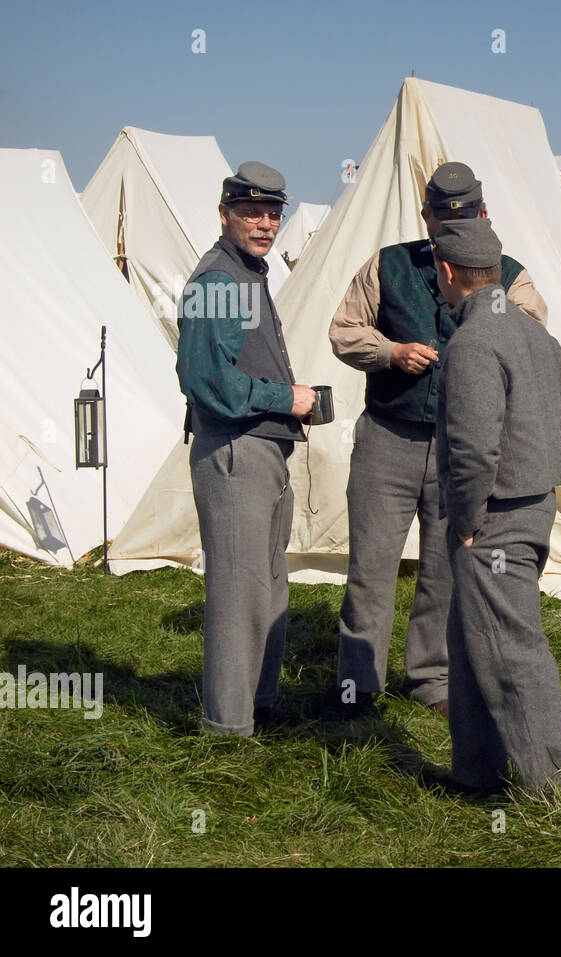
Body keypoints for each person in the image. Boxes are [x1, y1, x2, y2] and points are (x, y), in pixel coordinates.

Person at [325, 161, 547, 720]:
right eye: (440, 221)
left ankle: (432, 677)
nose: (449, 230)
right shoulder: (387, 264)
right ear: (425, 217)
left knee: (444, 570)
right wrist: (390, 353)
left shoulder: (511, 277)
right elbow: (344, 330)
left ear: (483, 214)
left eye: (464, 218)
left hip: (463, 449)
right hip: (389, 437)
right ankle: (358, 685)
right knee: (371, 567)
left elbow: (530, 345)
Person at [433, 217, 561, 793]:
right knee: (471, 643)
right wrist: (536, 475)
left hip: (492, 518)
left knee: (512, 652)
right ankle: (477, 774)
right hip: (534, 504)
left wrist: (469, 522)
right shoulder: (535, 334)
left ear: (448, 273)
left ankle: (553, 792)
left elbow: (472, 450)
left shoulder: (471, 343)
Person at [175, 161, 316, 735]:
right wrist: (288, 398)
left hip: (260, 447)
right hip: (233, 450)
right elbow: (204, 380)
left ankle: (259, 705)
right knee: (237, 593)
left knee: (265, 584)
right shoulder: (217, 280)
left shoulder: (248, 273)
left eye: (273, 212)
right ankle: (228, 727)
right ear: (225, 214)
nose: (265, 223)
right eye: (251, 212)